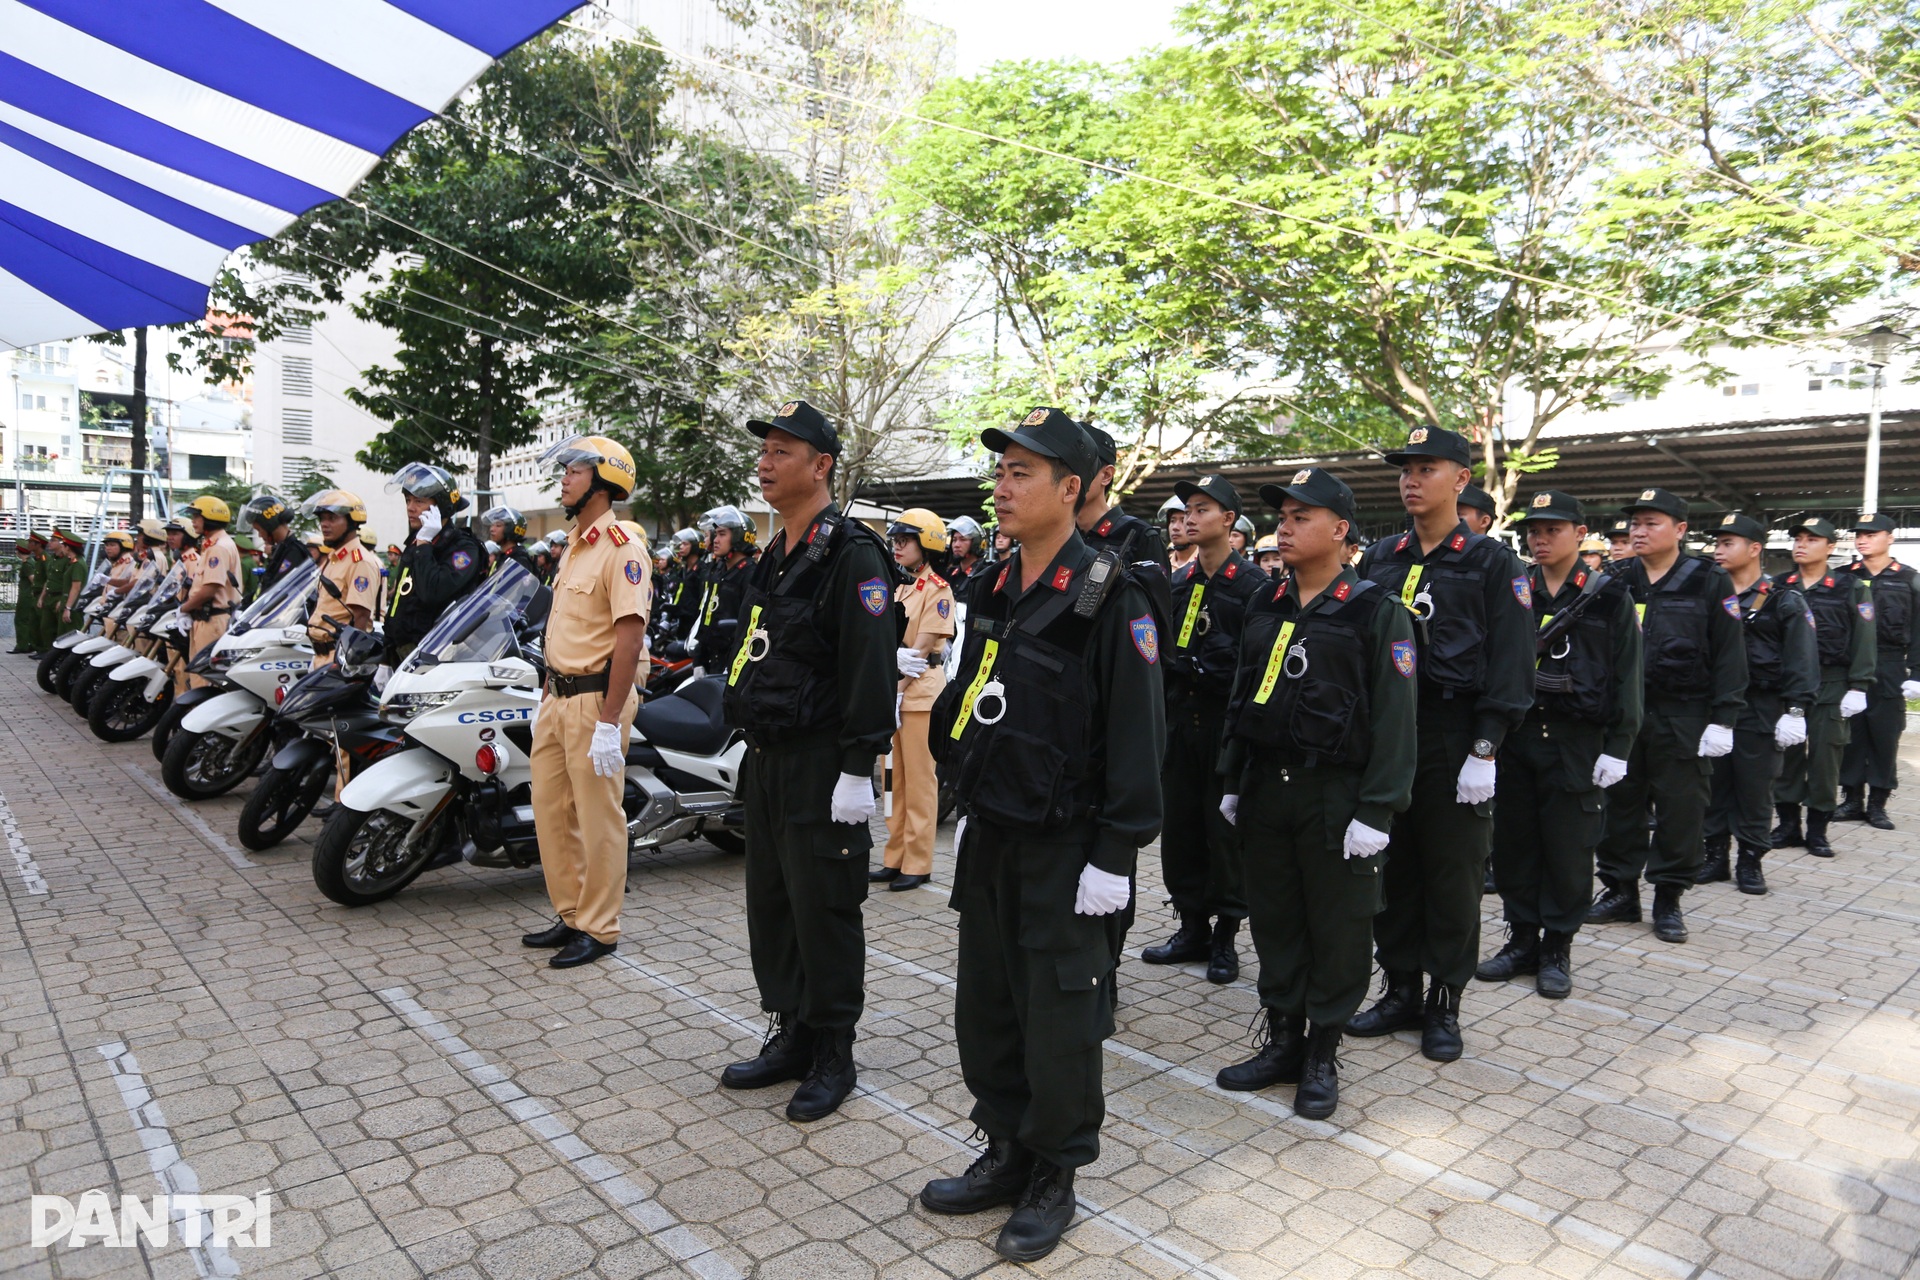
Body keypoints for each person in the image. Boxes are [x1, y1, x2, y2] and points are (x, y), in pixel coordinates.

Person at [918, 406, 1164, 1263]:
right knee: (987, 1004)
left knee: (1060, 1015)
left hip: (1068, 846)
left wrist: (1117, 853)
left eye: (1021, 473)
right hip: (995, 830)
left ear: (1071, 489)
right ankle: (1005, 1148)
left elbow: (1138, 735)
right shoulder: (992, 587)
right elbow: (974, 699)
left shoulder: (1110, 595)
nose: (1002, 486)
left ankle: (1054, 1171)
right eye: (1000, 471)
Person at [1214, 468, 1415, 1116]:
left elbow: (1396, 718)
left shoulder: (1377, 610)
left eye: (1302, 517)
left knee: (1338, 928)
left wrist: (1378, 809)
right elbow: (1245, 693)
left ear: (1340, 530)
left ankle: (1322, 1054)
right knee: (1275, 919)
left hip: (1337, 794)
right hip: (1268, 786)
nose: (1286, 527)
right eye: (1283, 516)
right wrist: (1232, 777)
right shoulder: (1266, 602)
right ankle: (1282, 1042)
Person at [717, 400, 895, 1124]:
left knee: (824, 907)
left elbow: (870, 669)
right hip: (770, 757)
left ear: (821, 466)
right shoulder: (776, 551)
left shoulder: (852, 553)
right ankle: (791, 1029)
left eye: (781, 452)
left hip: (823, 765)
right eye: (763, 451)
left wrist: (858, 766)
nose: (765, 462)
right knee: (774, 904)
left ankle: (833, 1050)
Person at [1349, 426, 1532, 1062]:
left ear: (1461, 479)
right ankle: (1399, 989)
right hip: (1390, 735)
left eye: (1427, 468)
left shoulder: (1493, 563)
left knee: (1453, 876)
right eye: (1406, 469)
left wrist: (1485, 749)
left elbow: (1512, 663)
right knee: (1392, 869)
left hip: (1455, 734)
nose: (1412, 479)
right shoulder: (1382, 557)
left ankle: (1444, 1002)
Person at [1476, 492, 1642, 999]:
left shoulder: (1608, 595)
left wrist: (1619, 745)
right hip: (1519, 739)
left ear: (1580, 533)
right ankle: (1521, 940)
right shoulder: (1515, 590)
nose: (1540, 539)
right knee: (1515, 846)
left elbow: (1628, 676)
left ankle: (1556, 949)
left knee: (1569, 851)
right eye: (1534, 530)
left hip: (1576, 742)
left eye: (1553, 529)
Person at [1589, 489, 1747, 943]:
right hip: (1625, 715)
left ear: (1680, 529)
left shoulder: (1708, 580)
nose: (1638, 531)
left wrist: (1724, 718)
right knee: (1619, 805)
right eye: (1634, 523)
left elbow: (1729, 652)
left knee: (1681, 810)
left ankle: (1668, 898)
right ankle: (1620, 890)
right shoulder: (1616, 578)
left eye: (1650, 523)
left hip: (1684, 714)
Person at [519, 436, 650, 969]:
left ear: (603, 481)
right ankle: (571, 913)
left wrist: (610, 721)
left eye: (574, 471)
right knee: (551, 811)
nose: (565, 479)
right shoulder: (574, 545)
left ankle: (600, 926)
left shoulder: (622, 549)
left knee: (598, 819)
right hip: (557, 696)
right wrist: (545, 695)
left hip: (597, 701)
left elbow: (630, 639)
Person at [1141, 473, 1268, 984]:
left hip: (1224, 725)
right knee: (1182, 829)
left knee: (1225, 834)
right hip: (1181, 722)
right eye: (1186, 510)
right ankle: (1191, 926)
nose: (1189, 519)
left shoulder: (1255, 586)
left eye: (1201, 510)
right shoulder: (1179, 583)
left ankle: (1225, 937)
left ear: (1229, 520)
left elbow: (1255, 665)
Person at [1699, 513, 1816, 895]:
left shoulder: (1784, 600)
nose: (1718, 551)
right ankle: (1715, 856)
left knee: (1754, 787)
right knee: (1713, 784)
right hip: (1714, 706)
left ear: (1754, 549)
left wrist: (1795, 710)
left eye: (1727, 543)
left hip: (1761, 706)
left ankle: (1750, 859)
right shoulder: (1708, 596)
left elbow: (1801, 658)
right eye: (1717, 544)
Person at [1770, 518, 1874, 858]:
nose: (1801, 544)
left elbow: (1864, 638)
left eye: (1812, 539)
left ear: (1831, 547)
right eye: (1798, 538)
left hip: (1831, 684)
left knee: (1826, 759)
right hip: (1787, 685)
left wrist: (1859, 685)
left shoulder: (1850, 587)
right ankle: (1788, 825)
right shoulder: (1778, 586)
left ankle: (1817, 830)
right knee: (1786, 756)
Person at [875, 508, 955, 892]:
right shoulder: (898, 585)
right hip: (892, 691)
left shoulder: (938, 589)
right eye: (896, 539)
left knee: (921, 783)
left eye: (905, 540)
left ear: (927, 544)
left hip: (920, 695)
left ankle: (918, 862)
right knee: (892, 781)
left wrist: (895, 691)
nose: (897, 546)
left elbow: (918, 653)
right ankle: (894, 857)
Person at [1837, 514, 1920, 828]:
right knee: (1850, 734)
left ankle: (1877, 804)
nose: (1863, 539)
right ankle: (1851, 800)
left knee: (1885, 735)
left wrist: (1917, 673)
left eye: (1871, 534)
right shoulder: (1843, 577)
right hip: (1849, 666)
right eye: (1859, 534)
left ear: (1890, 538)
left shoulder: (1909, 579)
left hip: (1889, 664)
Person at [383, 463, 487, 669]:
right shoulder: (417, 542)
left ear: (442, 507)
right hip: (401, 653)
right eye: (408, 500)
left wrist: (424, 545)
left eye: (419, 501)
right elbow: (400, 601)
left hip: (434, 658)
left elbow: (432, 591)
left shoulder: (463, 548)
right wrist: (388, 649)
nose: (410, 507)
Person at [299, 491, 379, 666]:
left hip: (338, 657)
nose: (324, 524)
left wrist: (347, 662)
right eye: (322, 519)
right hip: (320, 656)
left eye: (332, 518)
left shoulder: (360, 561)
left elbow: (361, 617)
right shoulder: (335, 558)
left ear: (352, 522)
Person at [178, 497, 242, 689]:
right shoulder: (215, 544)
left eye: (197, 516)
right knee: (200, 678)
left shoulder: (218, 548)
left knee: (205, 682)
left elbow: (210, 589)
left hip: (212, 620)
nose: (193, 521)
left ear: (210, 518)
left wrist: (183, 609)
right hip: (208, 618)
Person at [693, 505, 757, 668]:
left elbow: (749, 626)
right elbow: (707, 615)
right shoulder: (719, 570)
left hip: (732, 662)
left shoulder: (751, 574)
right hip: (711, 658)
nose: (715, 540)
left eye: (722, 534)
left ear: (738, 537)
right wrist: (699, 659)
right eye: (716, 534)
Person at [660, 529, 705, 643]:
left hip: (694, 624)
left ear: (695, 546)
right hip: (680, 624)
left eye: (685, 544)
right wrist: (669, 616)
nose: (681, 547)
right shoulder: (682, 571)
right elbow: (677, 595)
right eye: (680, 544)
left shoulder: (703, 570)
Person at [482, 505, 537, 578]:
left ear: (510, 529)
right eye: (492, 525)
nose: (491, 529)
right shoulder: (502, 556)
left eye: (498, 525)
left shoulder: (519, 559)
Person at [947, 515, 988, 589]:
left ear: (975, 543)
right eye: (954, 540)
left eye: (963, 539)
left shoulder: (985, 574)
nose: (956, 545)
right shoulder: (950, 574)